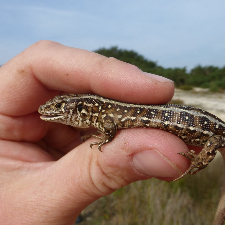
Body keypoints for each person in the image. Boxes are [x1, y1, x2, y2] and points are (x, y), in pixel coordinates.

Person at [0, 40, 199, 224]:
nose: (46, 110)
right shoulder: (99, 114)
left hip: (184, 122)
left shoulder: (104, 116)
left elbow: (110, 127)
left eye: (59, 106)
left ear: (78, 107)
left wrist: (105, 138)